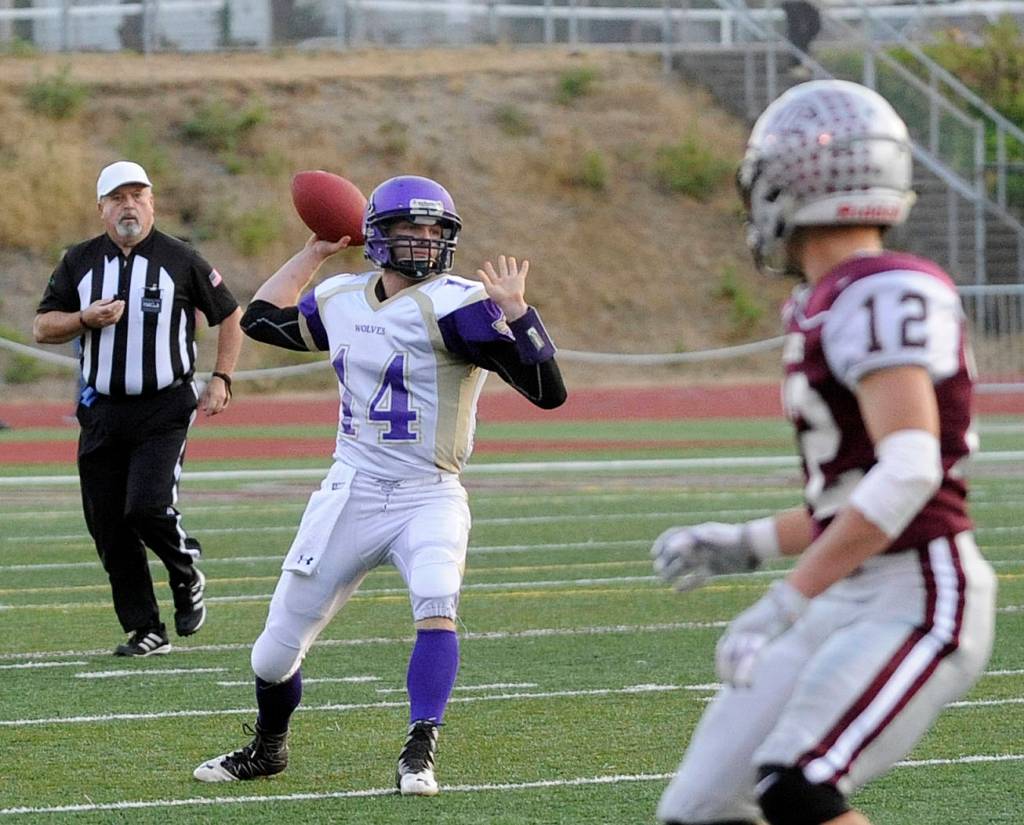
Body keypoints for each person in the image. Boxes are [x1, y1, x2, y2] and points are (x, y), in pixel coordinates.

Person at [650, 80, 996, 825]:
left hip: (917, 590)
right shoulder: (832, 296)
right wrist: (745, 541)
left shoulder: (880, 290)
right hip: (854, 582)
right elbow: (854, 501)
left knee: (798, 785)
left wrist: (787, 598)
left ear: (786, 184)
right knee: (700, 810)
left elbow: (909, 473)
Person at [192, 174, 566, 795]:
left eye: (434, 230)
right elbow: (259, 320)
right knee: (272, 655)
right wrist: (312, 253)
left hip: (429, 489)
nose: (424, 240)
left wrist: (520, 315)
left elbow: (549, 393)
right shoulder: (341, 297)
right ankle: (268, 748)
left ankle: (420, 747)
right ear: (376, 236)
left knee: (437, 600)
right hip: (353, 489)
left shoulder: (462, 305)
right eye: (408, 228)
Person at [33, 160, 243, 657]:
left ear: (152, 203)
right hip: (102, 410)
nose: (128, 206)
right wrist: (84, 318)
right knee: (108, 525)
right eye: (118, 198)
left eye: (137, 196)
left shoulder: (180, 258)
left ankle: (186, 570)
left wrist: (222, 378)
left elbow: (230, 314)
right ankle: (145, 628)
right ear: (101, 208)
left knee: (146, 506)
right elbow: (43, 326)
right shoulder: (80, 260)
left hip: (163, 406)